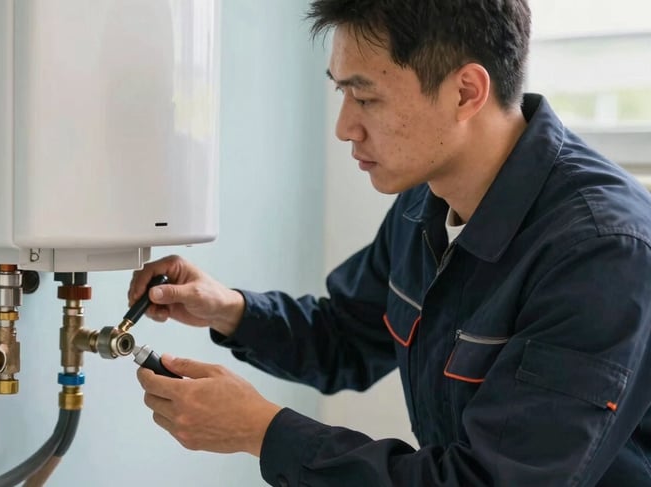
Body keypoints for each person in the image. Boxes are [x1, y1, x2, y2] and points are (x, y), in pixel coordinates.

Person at [129, 1, 651, 485]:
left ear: (466, 91)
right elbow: (348, 335)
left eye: (366, 97)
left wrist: (263, 432)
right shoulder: (425, 200)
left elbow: (488, 480)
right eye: (342, 93)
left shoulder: (601, 252)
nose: (344, 127)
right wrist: (230, 310)